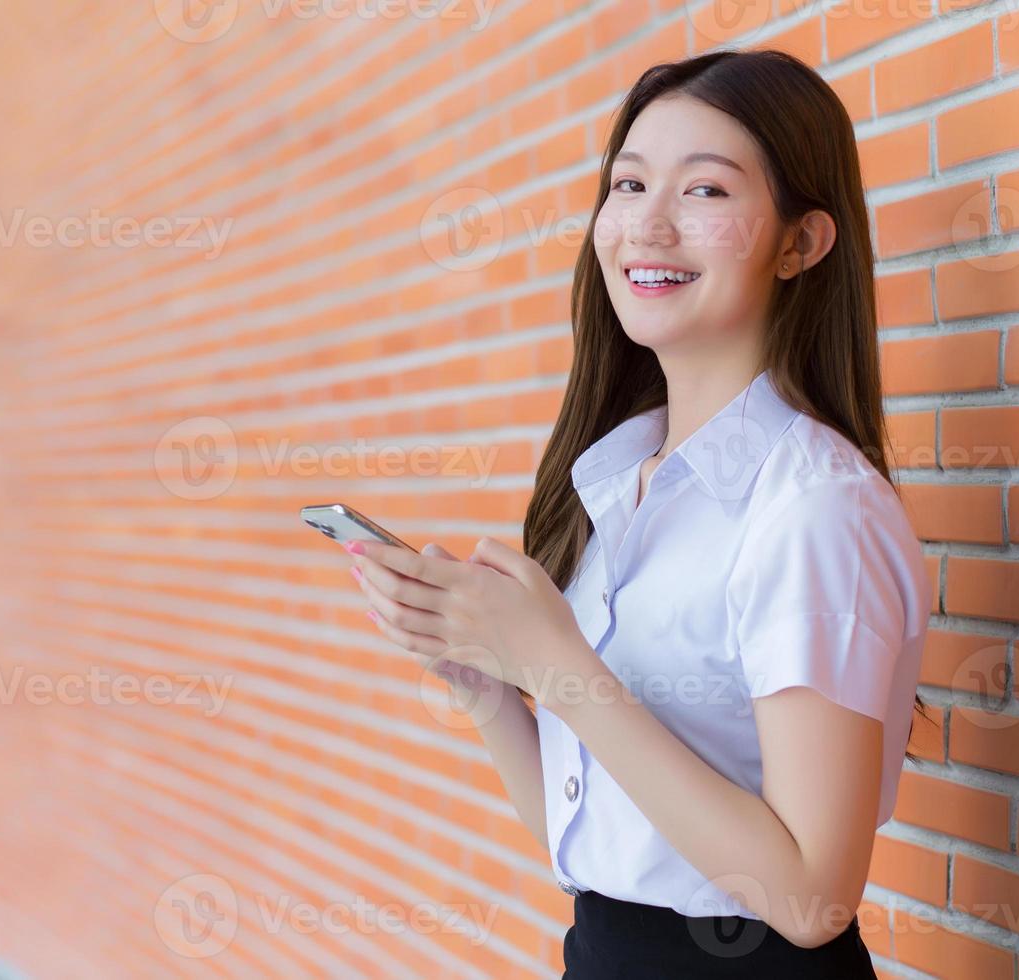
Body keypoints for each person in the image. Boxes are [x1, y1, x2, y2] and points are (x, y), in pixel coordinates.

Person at [343, 47, 933, 978]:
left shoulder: (817, 509)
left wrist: (558, 666)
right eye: (628, 184)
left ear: (800, 242)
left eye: (704, 193)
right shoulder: (624, 486)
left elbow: (815, 899)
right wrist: (486, 680)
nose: (646, 226)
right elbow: (600, 844)